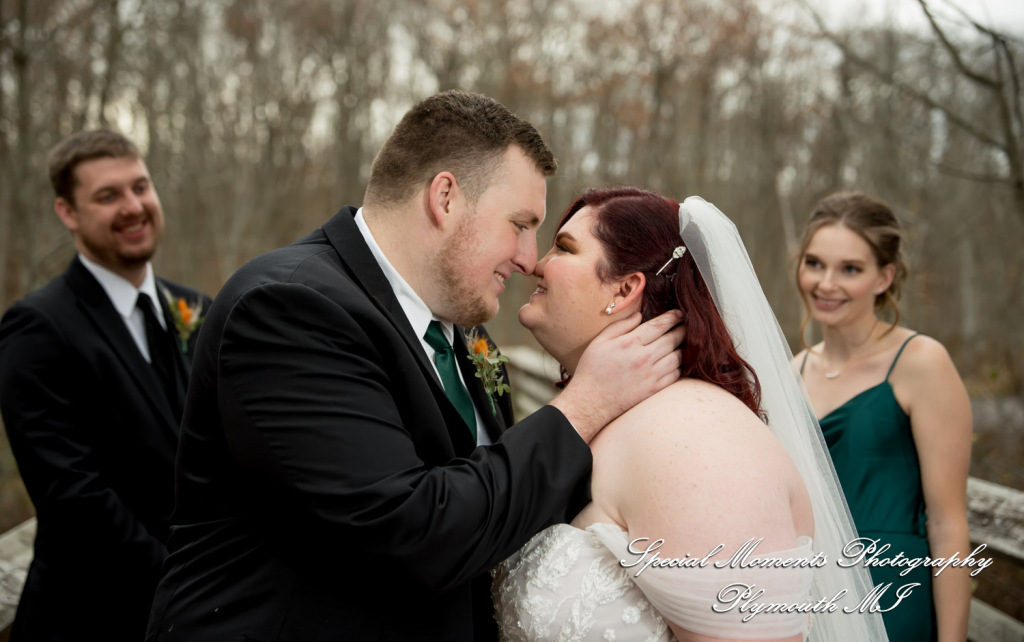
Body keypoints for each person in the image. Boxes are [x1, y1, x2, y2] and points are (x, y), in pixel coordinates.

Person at [145, 91, 684, 641]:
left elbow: (498, 508)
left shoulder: (464, 333)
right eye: (520, 224)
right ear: (445, 198)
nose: (529, 258)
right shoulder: (289, 309)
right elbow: (413, 533)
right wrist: (584, 406)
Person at [493, 188, 888, 642]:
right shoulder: (614, 416)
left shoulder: (699, 439)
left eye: (563, 248)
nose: (535, 263)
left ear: (625, 289)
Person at [0, 130, 211, 641]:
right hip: (91, 616)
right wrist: (184, 586)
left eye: (140, 187)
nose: (133, 207)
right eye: (108, 195)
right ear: (67, 212)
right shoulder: (37, 328)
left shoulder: (195, 309)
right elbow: (72, 497)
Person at [792, 191, 972, 641]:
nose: (826, 283)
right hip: (811, 597)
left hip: (893, 592)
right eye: (815, 263)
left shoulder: (921, 362)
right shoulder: (794, 371)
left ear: (884, 277)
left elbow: (948, 523)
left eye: (850, 269)